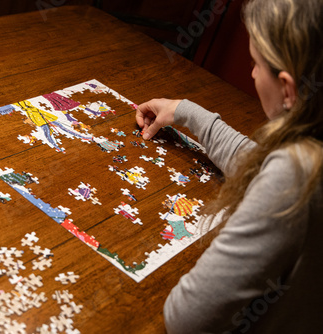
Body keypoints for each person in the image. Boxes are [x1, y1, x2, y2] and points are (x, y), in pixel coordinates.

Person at [135, 0, 323, 333]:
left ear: (288, 90)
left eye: (255, 63)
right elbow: (257, 164)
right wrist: (186, 111)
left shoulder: (296, 176)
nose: (251, 72)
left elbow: (185, 318)